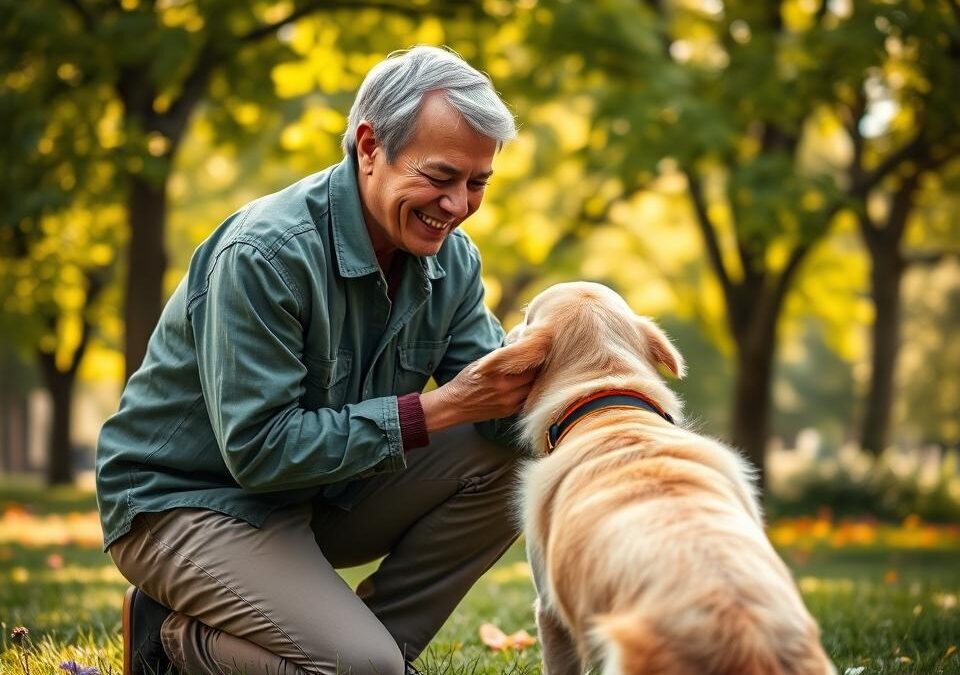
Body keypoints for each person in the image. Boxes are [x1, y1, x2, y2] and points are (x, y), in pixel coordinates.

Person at [96, 45, 535, 675]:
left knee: (512, 460)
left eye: (477, 183)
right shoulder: (266, 255)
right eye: (441, 178)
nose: (459, 206)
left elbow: (500, 411)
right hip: (187, 502)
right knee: (362, 668)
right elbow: (259, 451)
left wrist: (608, 408)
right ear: (368, 147)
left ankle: (373, 653)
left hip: (319, 494)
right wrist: (434, 409)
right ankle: (168, 637)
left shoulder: (452, 261)